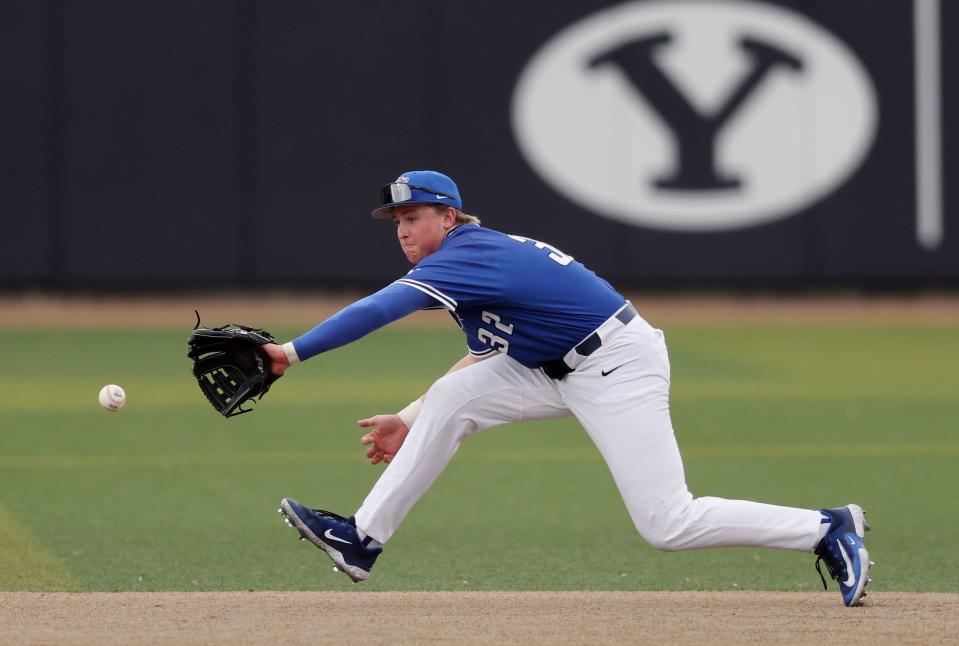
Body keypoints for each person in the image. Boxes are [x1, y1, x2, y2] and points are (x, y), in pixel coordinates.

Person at [264, 170, 872, 606]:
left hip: (616, 365)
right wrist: (410, 415)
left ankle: (826, 528)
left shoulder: (465, 254)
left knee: (667, 523)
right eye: (397, 220)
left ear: (448, 217)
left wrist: (289, 353)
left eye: (414, 216)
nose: (403, 229)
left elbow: (379, 307)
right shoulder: (465, 262)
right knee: (450, 399)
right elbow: (480, 359)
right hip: (555, 367)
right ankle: (362, 539)